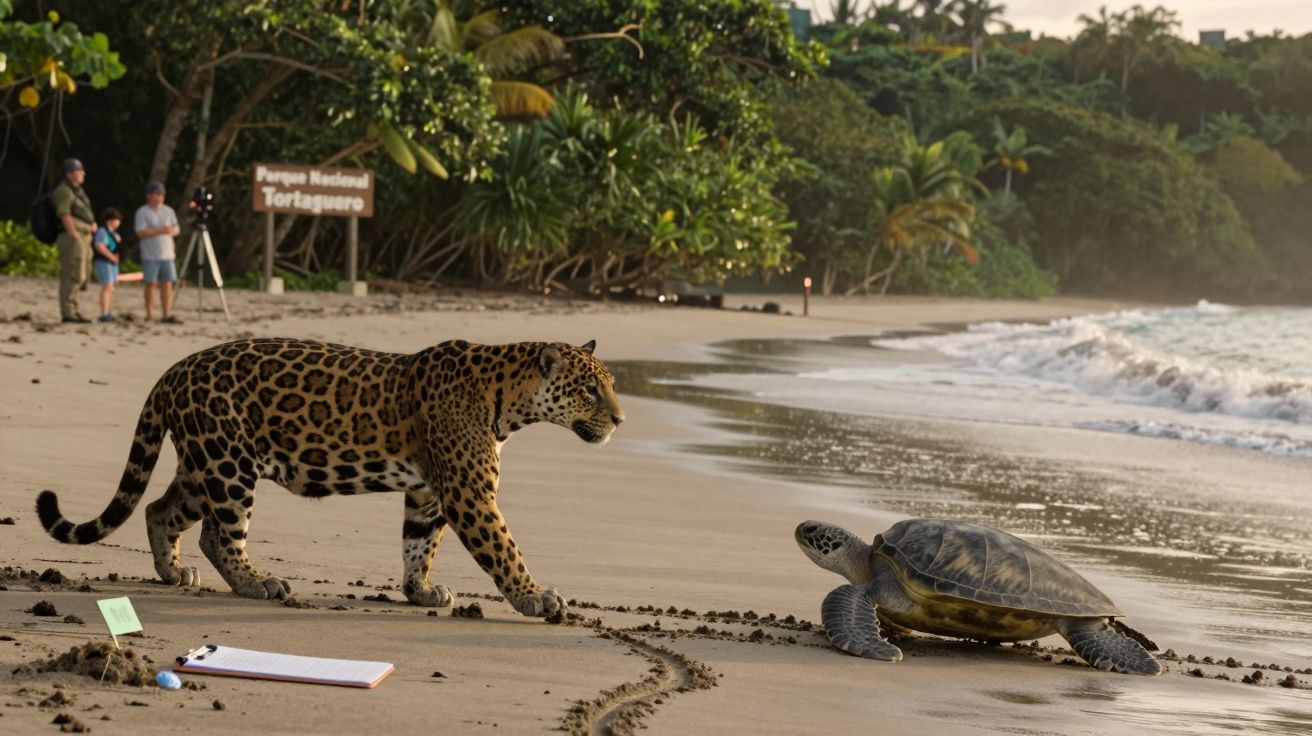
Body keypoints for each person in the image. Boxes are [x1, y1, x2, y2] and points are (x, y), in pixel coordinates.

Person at [50, 158, 96, 324]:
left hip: (84, 236)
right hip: (73, 237)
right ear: (70, 173)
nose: (83, 173)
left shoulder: (77, 191)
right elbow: (64, 213)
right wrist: (73, 234)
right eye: (79, 170)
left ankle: (74, 309)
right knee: (72, 273)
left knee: (81, 274)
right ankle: (68, 312)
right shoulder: (64, 191)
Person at [134, 180, 182, 323]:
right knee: (151, 283)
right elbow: (140, 232)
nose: (160, 197)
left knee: (167, 284)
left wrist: (171, 231)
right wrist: (160, 230)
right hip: (150, 254)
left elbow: (177, 229)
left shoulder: (169, 211)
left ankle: (166, 313)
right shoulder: (142, 212)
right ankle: (150, 313)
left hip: (167, 253)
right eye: (157, 194)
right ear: (149, 195)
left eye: (162, 194)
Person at [92, 207, 124, 322]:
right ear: (110, 220)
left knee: (111, 287)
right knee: (107, 286)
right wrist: (112, 258)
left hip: (112, 263)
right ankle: (104, 312)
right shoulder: (102, 231)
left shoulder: (115, 234)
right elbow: (100, 246)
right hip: (104, 262)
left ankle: (107, 310)